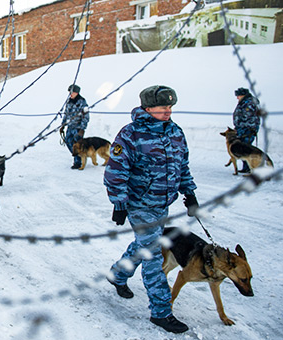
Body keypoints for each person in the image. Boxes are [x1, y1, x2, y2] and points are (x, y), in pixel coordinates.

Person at [103, 85, 198, 334]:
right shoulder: (131, 134)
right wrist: (119, 203)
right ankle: (161, 312)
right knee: (153, 255)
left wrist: (190, 192)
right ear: (147, 108)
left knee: (145, 244)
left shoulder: (175, 132)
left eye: (170, 107)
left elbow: (182, 166)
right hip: (139, 205)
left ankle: (118, 274)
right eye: (162, 107)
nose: (168, 111)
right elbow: (115, 170)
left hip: (162, 203)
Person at [60, 84, 89, 169]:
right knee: (68, 142)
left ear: (76, 92)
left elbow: (86, 116)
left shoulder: (82, 102)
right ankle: (78, 157)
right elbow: (66, 114)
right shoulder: (69, 101)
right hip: (70, 127)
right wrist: (63, 125)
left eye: (72, 92)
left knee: (78, 145)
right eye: (69, 92)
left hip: (77, 128)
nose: (70, 94)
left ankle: (78, 162)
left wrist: (82, 129)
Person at [233, 87, 260, 173]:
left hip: (247, 130)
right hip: (242, 129)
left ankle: (251, 166)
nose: (237, 97)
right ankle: (247, 167)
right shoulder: (243, 103)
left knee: (246, 149)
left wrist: (246, 128)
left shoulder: (249, 103)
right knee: (243, 148)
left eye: (238, 95)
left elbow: (250, 118)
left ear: (243, 95)